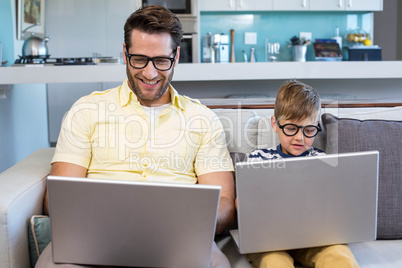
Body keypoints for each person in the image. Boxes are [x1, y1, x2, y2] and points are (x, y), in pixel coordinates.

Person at [36, 5, 235, 268]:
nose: (149, 73)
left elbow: (225, 204)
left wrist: (187, 225)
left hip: (180, 243)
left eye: (161, 60)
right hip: (92, 240)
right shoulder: (86, 110)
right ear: (124, 53)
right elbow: (59, 196)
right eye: (139, 59)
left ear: (176, 56)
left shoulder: (204, 119)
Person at [245, 81, 360, 268]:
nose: (300, 137)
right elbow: (244, 203)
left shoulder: (322, 160)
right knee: (274, 262)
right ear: (275, 124)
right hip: (269, 242)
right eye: (291, 128)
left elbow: (334, 205)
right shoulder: (259, 159)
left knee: (340, 256)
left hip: (314, 239)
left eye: (309, 130)